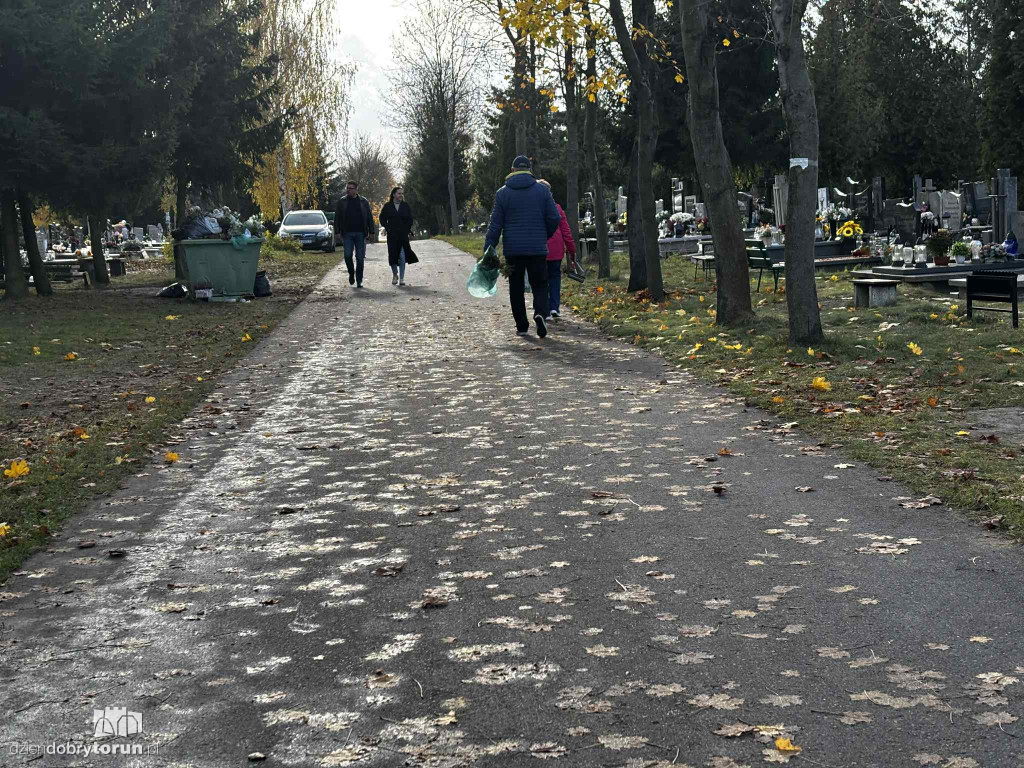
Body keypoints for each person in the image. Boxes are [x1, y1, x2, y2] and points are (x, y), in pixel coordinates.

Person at [484, 155, 560, 338]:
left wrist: (488, 248)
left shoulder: (502, 193)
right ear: (530, 169)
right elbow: (554, 217)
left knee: (516, 287)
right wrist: (545, 235)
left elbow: (495, 225)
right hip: (537, 248)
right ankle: (540, 313)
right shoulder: (542, 191)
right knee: (540, 284)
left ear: (512, 170)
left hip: (513, 249)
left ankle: (522, 326)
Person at [537, 179, 576, 321]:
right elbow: (566, 231)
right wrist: (572, 250)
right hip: (556, 249)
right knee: (554, 278)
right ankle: (554, 307)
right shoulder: (557, 208)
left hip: (539, 249)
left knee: (542, 280)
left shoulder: (534, 208)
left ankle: (545, 310)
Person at [334, 180, 373, 287]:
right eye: (347, 188)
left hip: (360, 233)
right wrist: (337, 231)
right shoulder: (342, 202)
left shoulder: (363, 201)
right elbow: (337, 217)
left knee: (360, 258)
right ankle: (351, 273)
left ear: (356, 190)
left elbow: (369, 217)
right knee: (347, 255)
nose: (348, 190)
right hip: (347, 233)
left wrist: (372, 231)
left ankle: (359, 280)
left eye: (351, 188)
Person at [379, 186, 418, 286]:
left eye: (402, 193)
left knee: (402, 256)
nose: (401, 195)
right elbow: (382, 218)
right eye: (399, 193)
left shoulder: (405, 206)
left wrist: (407, 229)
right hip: (392, 235)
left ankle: (401, 278)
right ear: (394, 194)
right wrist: (387, 227)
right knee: (393, 255)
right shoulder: (388, 206)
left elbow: (410, 219)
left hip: (403, 235)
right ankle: (395, 274)